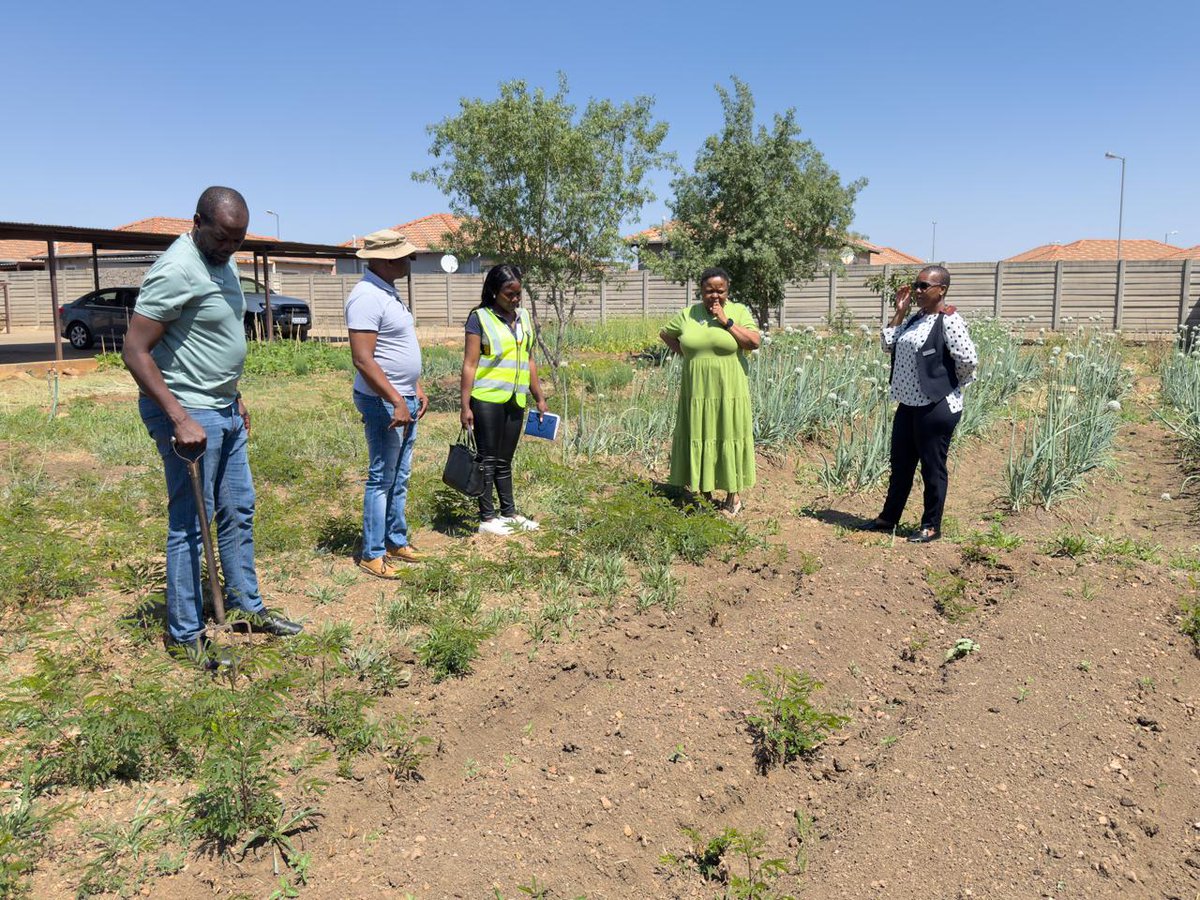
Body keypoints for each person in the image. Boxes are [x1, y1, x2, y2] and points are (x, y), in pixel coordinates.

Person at [123, 186, 303, 669]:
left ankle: (246, 606)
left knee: (238, 510)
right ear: (197, 220)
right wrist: (179, 417)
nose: (230, 248)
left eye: (238, 240)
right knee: (189, 526)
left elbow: (208, 336)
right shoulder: (177, 268)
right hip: (188, 415)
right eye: (223, 237)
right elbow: (135, 351)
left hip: (223, 408)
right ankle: (184, 634)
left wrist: (234, 395)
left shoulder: (221, 263)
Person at [865, 265, 978, 543]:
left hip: (935, 405)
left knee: (932, 467)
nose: (917, 291)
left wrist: (946, 387)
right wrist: (900, 311)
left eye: (923, 286)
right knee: (901, 463)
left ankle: (931, 525)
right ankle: (889, 517)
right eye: (916, 285)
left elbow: (968, 360)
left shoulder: (949, 320)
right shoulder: (916, 318)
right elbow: (887, 344)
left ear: (941, 290)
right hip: (908, 404)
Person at [346, 229, 428, 577]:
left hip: (403, 397)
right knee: (382, 477)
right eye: (400, 255)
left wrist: (415, 387)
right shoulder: (366, 297)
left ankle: (395, 539)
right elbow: (363, 359)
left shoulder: (387, 292)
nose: (408, 261)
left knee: (401, 474)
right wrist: (396, 399)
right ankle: (372, 552)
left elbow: (397, 349)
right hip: (384, 400)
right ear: (380, 259)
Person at [659, 266, 760, 515]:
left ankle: (732, 498)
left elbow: (754, 342)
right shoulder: (688, 314)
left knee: (729, 436)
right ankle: (704, 496)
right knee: (700, 436)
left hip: (730, 391)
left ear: (727, 291)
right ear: (701, 291)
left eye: (720, 291)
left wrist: (726, 322)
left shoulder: (738, 311)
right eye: (709, 291)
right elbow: (666, 333)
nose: (715, 296)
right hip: (696, 393)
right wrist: (686, 354)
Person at [459, 264, 548, 535]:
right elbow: (470, 364)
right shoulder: (480, 318)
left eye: (519, 293)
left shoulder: (523, 318)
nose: (515, 299)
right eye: (510, 293)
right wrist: (465, 405)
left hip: (515, 399)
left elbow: (530, 359)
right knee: (487, 458)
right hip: (485, 399)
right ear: (494, 291)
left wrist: (539, 396)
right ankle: (487, 518)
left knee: (504, 460)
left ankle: (509, 513)